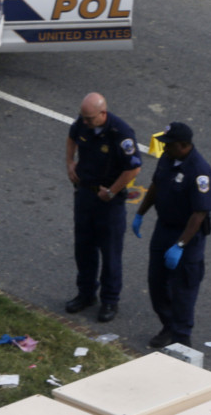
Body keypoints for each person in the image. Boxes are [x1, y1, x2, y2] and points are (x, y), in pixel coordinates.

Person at [132, 122, 211, 348]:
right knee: (156, 282)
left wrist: (180, 245)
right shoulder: (167, 159)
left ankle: (182, 338)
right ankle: (169, 324)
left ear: (184, 146)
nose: (164, 148)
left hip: (188, 235)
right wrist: (140, 213)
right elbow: (156, 186)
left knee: (184, 288)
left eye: (170, 145)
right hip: (164, 228)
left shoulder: (199, 171)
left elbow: (199, 213)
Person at [65, 92, 142, 322]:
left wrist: (112, 191)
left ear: (103, 113)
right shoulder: (83, 123)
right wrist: (70, 162)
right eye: (83, 118)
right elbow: (72, 137)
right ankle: (86, 293)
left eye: (90, 119)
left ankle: (110, 300)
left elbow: (134, 168)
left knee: (110, 253)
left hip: (109, 201)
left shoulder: (121, 134)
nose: (85, 122)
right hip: (85, 195)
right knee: (84, 248)